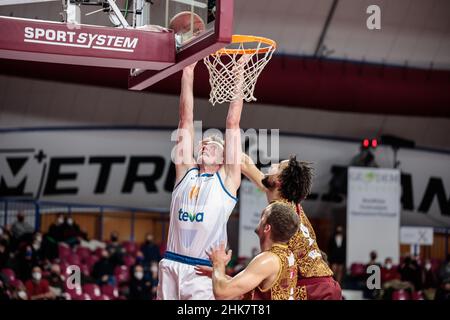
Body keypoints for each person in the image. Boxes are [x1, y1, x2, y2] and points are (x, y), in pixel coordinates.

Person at [157, 60, 244, 300]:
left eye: (214, 144)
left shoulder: (226, 181)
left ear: (224, 157)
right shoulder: (186, 173)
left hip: (202, 271)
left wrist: (239, 74)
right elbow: (186, 119)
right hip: (172, 264)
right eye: (204, 142)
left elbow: (232, 123)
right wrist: (188, 71)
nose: (207, 143)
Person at [240, 154, 342, 300]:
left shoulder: (278, 214)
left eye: (278, 166)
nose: (273, 165)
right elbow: (246, 165)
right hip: (325, 285)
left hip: (311, 289)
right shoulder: (290, 204)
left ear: (278, 181)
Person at [203, 202, 299, 300]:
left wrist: (218, 263)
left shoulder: (268, 260)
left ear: (267, 228)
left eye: (262, 216)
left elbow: (222, 293)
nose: (259, 219)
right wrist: (221, 276)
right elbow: (254, 289)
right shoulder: (288, 254)